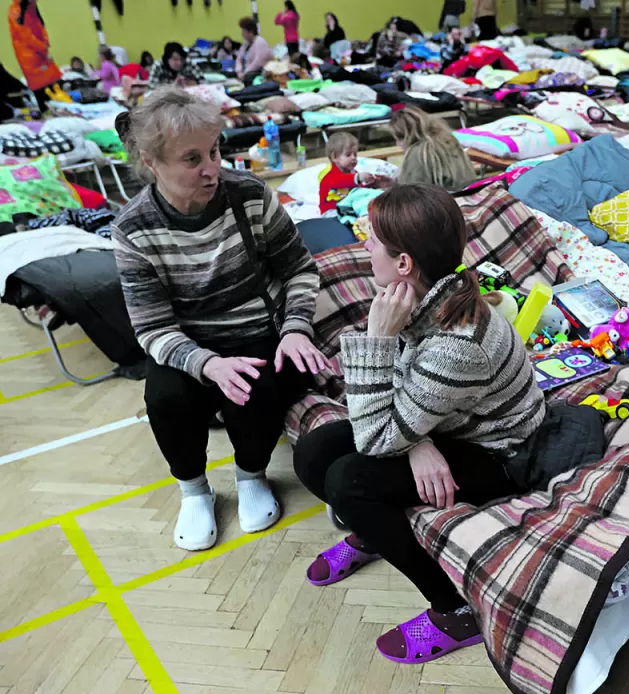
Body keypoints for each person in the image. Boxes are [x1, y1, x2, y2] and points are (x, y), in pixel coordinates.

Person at [292, 184, 548, 663]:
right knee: (314, 451)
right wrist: (415, 443)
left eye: (370, 239)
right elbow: (397, 408)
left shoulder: (458, 344)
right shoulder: (431, 294)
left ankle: (455, 611)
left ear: (404, 263)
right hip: (449, 421)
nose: (364, 246)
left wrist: (377, 339)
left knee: (349, 483)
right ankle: (376, 532)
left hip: (502, 452)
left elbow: (372, 436)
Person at [112, 89, 327, 551]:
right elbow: (152, 328)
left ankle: (251, 474)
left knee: (259, 386)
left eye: (214, 151)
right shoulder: (133, 229)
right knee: (165, 398)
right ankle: (194, 490)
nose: (211, 167)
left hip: (256, 331)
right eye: (192, 159)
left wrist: (294, 329)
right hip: (189, 345)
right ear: (152, 162)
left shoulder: (248, 194)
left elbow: (299, 268)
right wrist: (208, 365)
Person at [387, 109, 475, 191]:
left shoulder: (418, 153)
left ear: (407, 136)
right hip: (464, 193)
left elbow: (409, 194)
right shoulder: (447, 140)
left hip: (442, 201)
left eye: (398, 139)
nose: (397, 144)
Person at [7, 0, 61, 110]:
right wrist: (43, 48)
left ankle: (57, 109)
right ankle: (48, 111)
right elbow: (26, 36)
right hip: (29, 55)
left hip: (39, 51)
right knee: (40, 85)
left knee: (50, 81)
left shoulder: (30, 7)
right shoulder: (15, 11)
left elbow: (41, 27)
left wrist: (45, 44)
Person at [317, 132, 369, 214]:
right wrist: (358, 178)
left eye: (355, 154)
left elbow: (357, 188)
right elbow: (340, 180)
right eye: (348, 155)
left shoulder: (353, 172)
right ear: (334, 157)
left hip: (348, 208)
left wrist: (367, 184)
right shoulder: (330, 174)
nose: (353, 158)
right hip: (331, 210)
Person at [236, 16, 273, 84]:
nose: (242, 34)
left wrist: (244, 73)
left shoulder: (260, 42)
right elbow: (239, 59)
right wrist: (239, 71)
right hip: (245, 70)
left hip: (258, 70)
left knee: (248, 77)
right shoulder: (245, 43)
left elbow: (257, 63)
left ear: (250, 31)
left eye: (243, 31)